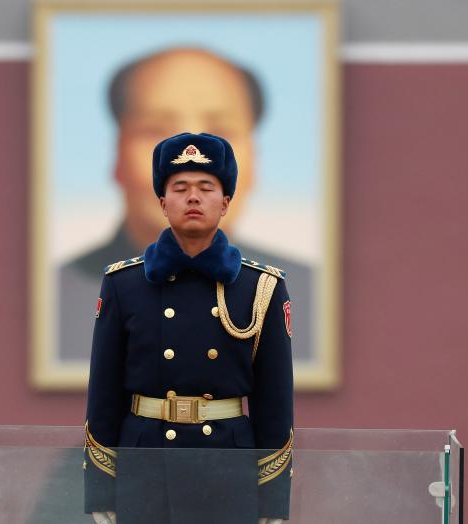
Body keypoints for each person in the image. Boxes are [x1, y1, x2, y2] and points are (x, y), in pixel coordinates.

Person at [83, 132, 294, 524]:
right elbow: (103, 395)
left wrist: (273, 500)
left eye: (205, 187)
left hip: (227, 467)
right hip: (145, 466)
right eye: (179, 188)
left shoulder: (260, 287)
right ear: (163, 203)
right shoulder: (124, 284)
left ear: (225, 201)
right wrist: (101, 488)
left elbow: (274, 402)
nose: (193, 197)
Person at [58, 47, 314, 365]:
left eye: (222, 132)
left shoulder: (280, 289)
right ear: (118, 155)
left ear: (255, 161)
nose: (192, 166)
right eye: (154, 130)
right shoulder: (86, 290)